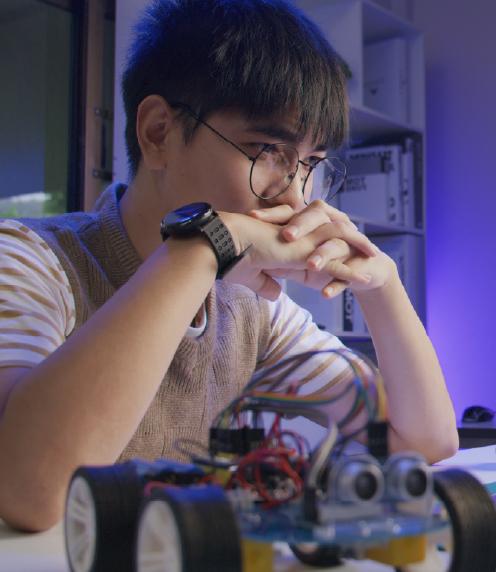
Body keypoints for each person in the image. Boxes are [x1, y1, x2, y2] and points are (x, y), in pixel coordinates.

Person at [0, 0, 457, 532]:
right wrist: (203, 244)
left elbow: (424, 440)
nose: (295, 195)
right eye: (267, 150)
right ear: (157, 133)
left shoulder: (252, 311)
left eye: (309, 165)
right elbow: (32, 491)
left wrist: (382, 285)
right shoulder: (33, 259)